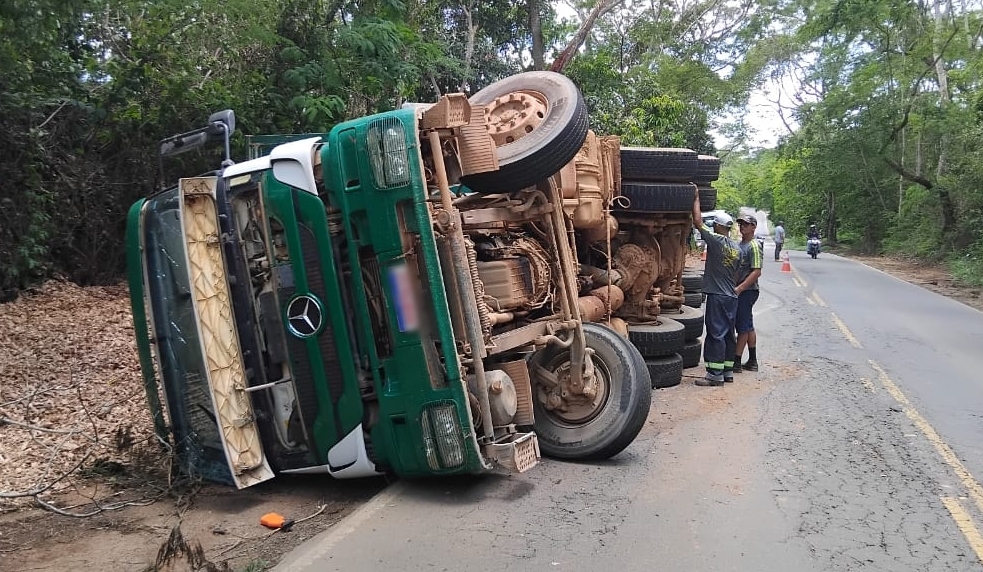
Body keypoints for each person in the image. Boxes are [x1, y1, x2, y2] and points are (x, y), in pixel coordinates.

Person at [691, 190, 741, 386]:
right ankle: (727, 371)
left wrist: (696, 198)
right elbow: (737, 274)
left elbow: (697, 222)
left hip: (717, 295)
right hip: (731, 296)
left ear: (719, 226)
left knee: (715, 334)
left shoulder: (716, 241)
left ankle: (714, 374)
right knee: (729, 333)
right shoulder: (736, 248)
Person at [733, 214, 762, 373]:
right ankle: (752, 360)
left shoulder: (753, 246)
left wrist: (740, 288)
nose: (742, 226)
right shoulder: (740, 245)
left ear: (753, 227)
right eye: (741, 224)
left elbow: (756, 272)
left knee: (742, 327)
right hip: (741, 289)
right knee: (748, 325)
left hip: (747, 291)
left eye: (745, 224)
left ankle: (736, 361)